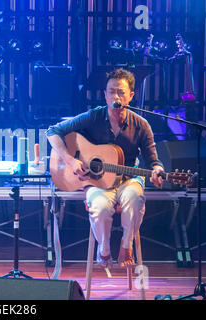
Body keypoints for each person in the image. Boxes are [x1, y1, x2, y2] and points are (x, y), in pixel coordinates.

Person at [46, 68, 165, 268]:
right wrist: (69, 159)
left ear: (131, 96)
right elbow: (53, 132)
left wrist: (158, 172)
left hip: (128, 180)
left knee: (135, 200)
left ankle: (126, 245)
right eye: (111, 91)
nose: (115, 96)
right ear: (104, 94)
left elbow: (154, 161)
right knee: (100, 208)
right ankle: (104, 249)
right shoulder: (94, 117)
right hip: (97, 182)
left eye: (120, 92)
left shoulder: (141, 124)